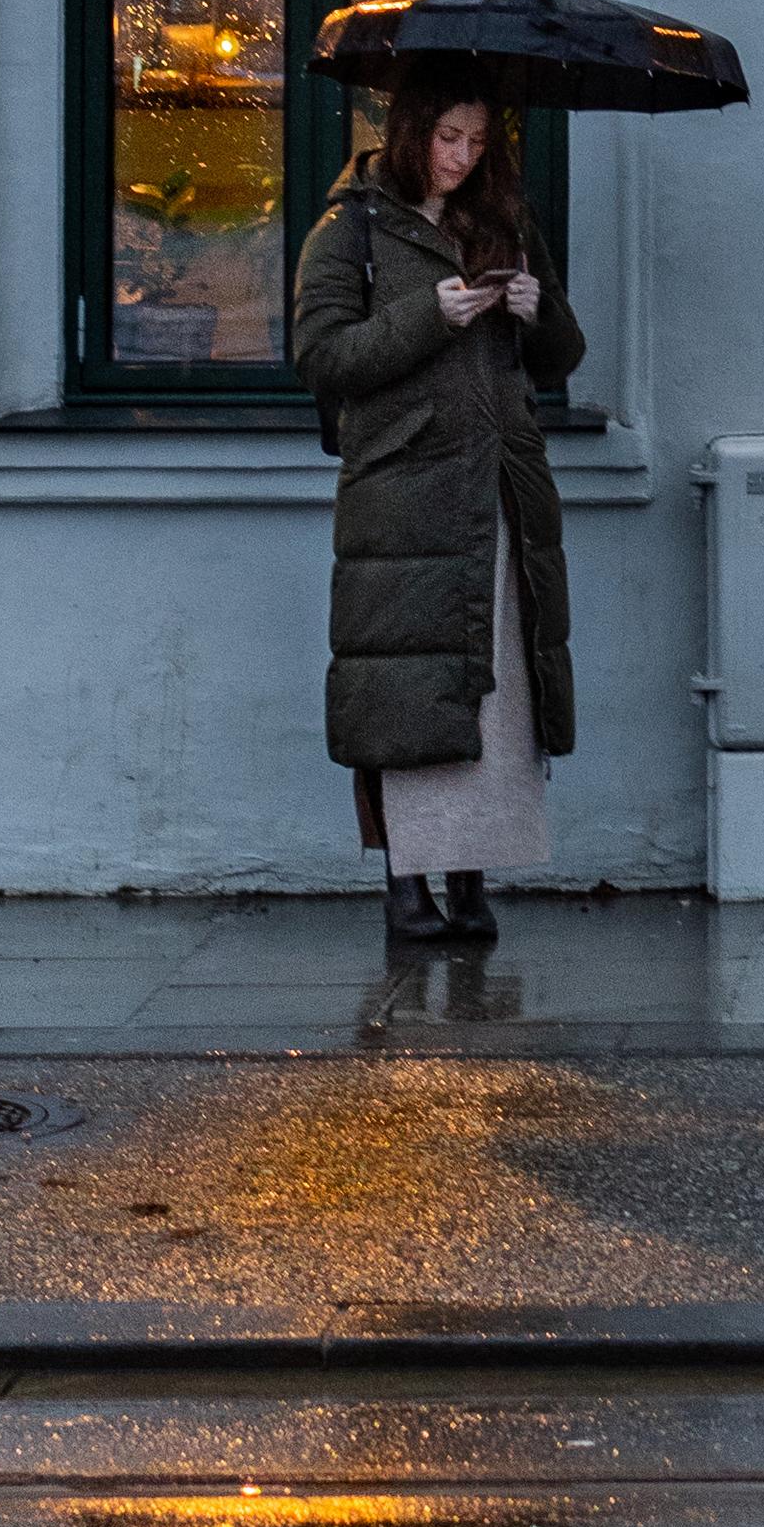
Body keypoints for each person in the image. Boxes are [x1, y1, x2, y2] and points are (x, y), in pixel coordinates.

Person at [293, 78, 589, 947]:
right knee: (411, 686)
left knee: (494, 689)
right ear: (412, 129)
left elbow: (561, 354)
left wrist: (537, 311)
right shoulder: (351, 227)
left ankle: (472, 875)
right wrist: (430, 315)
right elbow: (320, 355)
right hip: (405, 495)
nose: (461, 157)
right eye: (448, 137)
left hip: (498, 489)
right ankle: (405, 884)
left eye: (477, 140)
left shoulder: (500, 222)